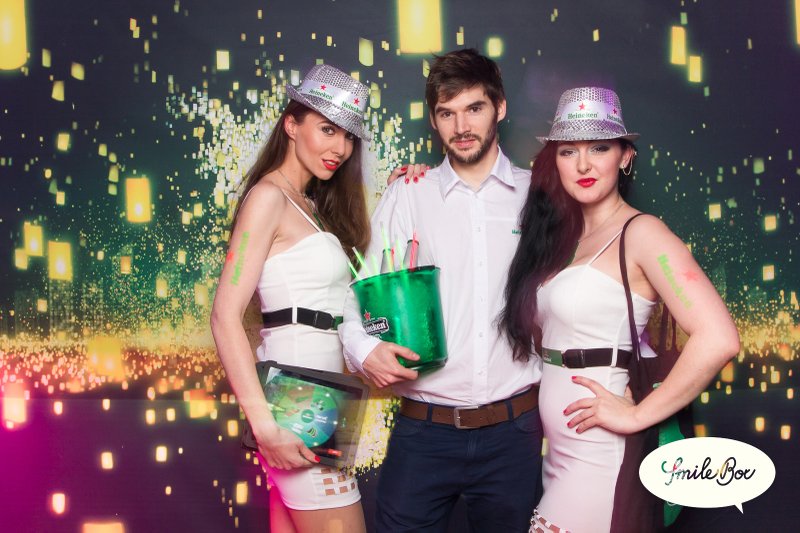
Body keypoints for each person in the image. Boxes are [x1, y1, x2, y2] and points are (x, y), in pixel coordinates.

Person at [499, 87, 740, 533]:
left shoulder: (643, 232)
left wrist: (636, 415)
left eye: (599, 148)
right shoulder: (562, 239)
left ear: (625, 156)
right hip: (559, 449)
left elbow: (719, 338)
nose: (583, 165)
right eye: (568, 151)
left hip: (600, 450)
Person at [339, 48, 543, 532]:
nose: (461, 126)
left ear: (500, 108)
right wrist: (364, 350)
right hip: (424, 431)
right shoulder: (409, 193)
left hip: (514, 434)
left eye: (474, 108)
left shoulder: (538, 194)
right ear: (433, 120)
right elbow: (357, 297)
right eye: (447, 113)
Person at [210, 64, 371, 533]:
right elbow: (224, 316)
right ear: (291, 125)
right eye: (327, 129)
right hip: (296, 406)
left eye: (348, 137)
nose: (340, 148)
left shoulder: (310, 205)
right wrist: (265, 426)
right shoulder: (269, 198)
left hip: (320, 401)